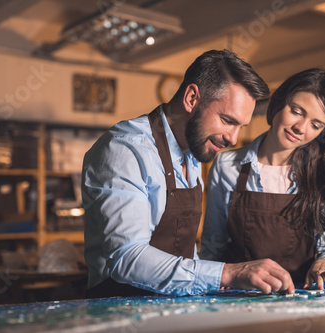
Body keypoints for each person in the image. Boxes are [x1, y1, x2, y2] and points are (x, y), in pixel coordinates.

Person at [82, 49, 295, 298]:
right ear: (192, 98)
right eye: (227, 120)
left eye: (240, 126)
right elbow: (127, 258)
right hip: (121, 314)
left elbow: (183, 252)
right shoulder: (124, 151)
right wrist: (227, 273)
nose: (232, 138)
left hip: (173, 309)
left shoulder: (193, 154)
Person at [200, 68, 325, 292]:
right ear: (279, 102)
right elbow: (213, 248)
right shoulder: (227, 166)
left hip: (300, 297)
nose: (300, 128)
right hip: (237, 298)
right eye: (296, 111)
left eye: (316, 125)